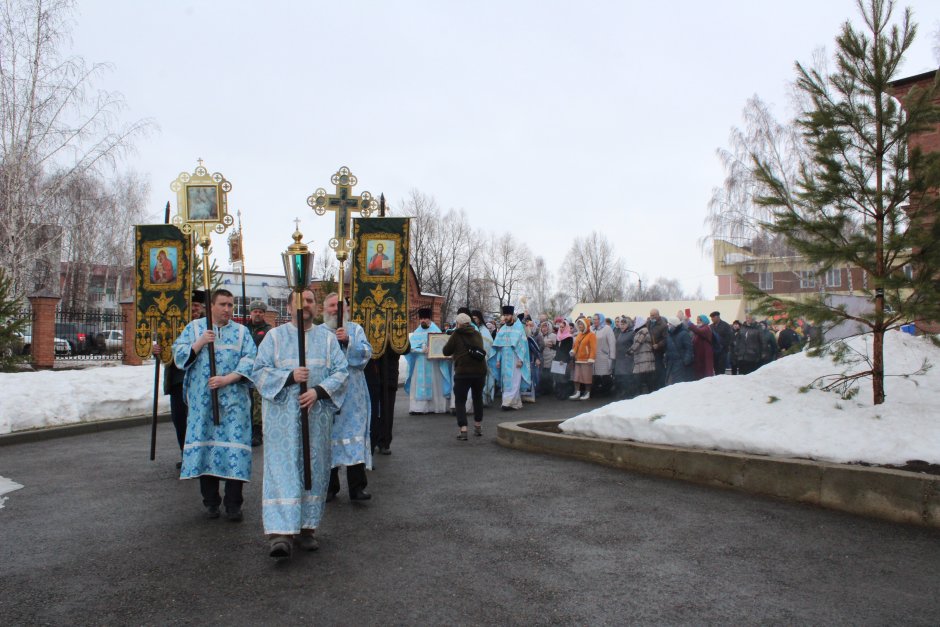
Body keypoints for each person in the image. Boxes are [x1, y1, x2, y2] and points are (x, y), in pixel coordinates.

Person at [252, 289, 348, 558]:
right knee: (282, 471)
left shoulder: (327, 339)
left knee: (313, 470)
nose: (306, 305)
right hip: (281, 421)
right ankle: (280, 533)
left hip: (315, 419)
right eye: (301, 301)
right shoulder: (274, 337)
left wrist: (318, 391)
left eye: (310, 301)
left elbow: (341, 372)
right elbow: (258, 372)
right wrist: (290, 376)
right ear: (289, 305)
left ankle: (307, 528)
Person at [172, 289, 256, 521]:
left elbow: (251, 359)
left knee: (234, 452)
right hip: (203, 403)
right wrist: (200, 343)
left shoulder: (241, 333)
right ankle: (210, 502)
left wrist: (228, 378)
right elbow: (179, 356)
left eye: (231, 305)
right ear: (212, 306)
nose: (228, 309)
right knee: (206, 450)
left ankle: (233, 504)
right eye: (223, 304)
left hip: (234, 404)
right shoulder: (195, 328)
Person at [321, 293, 373, 502]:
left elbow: (367, 354)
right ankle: (329, 487)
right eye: (331, 306)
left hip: (353, 395)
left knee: (355, 438)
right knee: (327, 440)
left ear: (347, 310)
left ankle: (357, 488)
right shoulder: (318, 333)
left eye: (339, 306)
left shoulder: (355, 330)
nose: (335, 309)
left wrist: (348, 341)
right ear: (324, 310)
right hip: (328, 394)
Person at [155, 290, 206, 468]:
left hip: (200, 381)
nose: (194, 310)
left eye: (197, 307)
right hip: (177, 380)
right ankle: (186, 454)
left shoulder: (207, 326)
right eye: (190, 307)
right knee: (180, 419)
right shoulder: (173, 326)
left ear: (202, 308)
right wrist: (158, 351)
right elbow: (166, 351)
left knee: (199, 419)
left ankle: (200, 456)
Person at [442, 313, 487, 440]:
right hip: (480, 371)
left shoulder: (456, 334)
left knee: (460, 400)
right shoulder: (477, 333)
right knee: (477, 398)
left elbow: (446, 351)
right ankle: (478, 427)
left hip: (463, 372)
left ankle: (463, 430)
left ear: (458, 324)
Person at [404, 308, 452, 414]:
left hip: (433, 363)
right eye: (421, 318)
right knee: (420, 385)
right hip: (420, 363)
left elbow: (441, 346)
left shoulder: (436, 331)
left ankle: (435, 406)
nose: (423, 321)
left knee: (435, 383)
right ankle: (419, 408)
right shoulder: (417, 332)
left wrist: (433, 350)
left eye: (425, 318)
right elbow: (410, 348)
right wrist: (421, 350)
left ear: (429, 319)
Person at [488, 305, 531, 410]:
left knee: (514, 380)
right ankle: (513, 402)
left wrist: (521, 360)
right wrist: (498, 360)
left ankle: (507, 403)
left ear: (512, 316)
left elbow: (523, 347)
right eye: (504, 315)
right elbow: (499, 346)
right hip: (504, 360)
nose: (505, 317)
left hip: (515, 359)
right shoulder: (502, 329)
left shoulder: (519, 328)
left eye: (507, 315)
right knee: (506, 381)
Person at [366, 345, 405, 456]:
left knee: (387, 410)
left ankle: (385, 441)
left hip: (389, 376)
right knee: (373, 411)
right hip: (373, 375)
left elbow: (405, 348)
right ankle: (372, 441)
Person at [245, 300, 272, 447]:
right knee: (246, 399)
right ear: (251, 312)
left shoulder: (268, 330)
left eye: (261, 312)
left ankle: (257, 432)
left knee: (257, 401)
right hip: (245, 369)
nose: (258, 314)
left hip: (260, 370)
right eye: (255, 311)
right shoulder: (243, 328)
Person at [628, 316, 657, 395]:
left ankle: (643, 397)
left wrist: (629, 352)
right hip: (641, 360)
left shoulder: (643, 331)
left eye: (635, 321)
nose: (634, 323)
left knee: (641, 381)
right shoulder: (640, 330)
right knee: (646, 381)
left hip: (645, 359)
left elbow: (638, 343)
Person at [569, 317, 596, 400]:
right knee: (576, 377)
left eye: (581, 324)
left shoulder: (591, 335)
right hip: (578, 359)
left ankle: (587, 393)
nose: (580, 325)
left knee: (586, 378)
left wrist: (591, 358)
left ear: (586, 325)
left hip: (587, 360)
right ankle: (577, 392)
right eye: (579, 324)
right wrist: (573, 351)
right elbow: (575, 346)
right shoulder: (579, 334)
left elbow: (593, 348)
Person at [592, 313, 616, 396]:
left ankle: (607, 392)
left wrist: (612, 357)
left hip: (604, 356)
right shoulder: (592, 329)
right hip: (594, 357)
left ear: (601, 319)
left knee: (605, 375)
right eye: (593, 319)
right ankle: (597, 392)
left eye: (596, 319)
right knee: (595, 376)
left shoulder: (607, 328)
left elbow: (612, 343)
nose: (594, 321)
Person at [664, 317, 694, 385]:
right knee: (671, 384)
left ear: (674, 325)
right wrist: (666, 359)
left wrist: (686, 361)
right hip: (671, 363)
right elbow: (668, 349)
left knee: (679, 384)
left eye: (670, 324)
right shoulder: (669, 335)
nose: (668, 326)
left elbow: (689, 348)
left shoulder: (684, 334)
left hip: (681, 363)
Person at [552, 319, 574, 400]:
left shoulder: (569, 337)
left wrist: (563, 360)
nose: (561, 328)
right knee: (557, 378)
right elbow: (558, 348)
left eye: (562, 327)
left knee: (563, 379)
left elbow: (567, 350)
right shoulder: (558, 336)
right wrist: (552, 346)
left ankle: (564, 394)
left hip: (564, 360)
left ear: (566, 327)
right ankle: (558, 393)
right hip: (557, 359)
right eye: (560, 327)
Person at [613, 316, 635, 398]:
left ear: (628, 324)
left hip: (627, 359)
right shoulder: (621, 333)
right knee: (620, 377)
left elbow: (634, 345)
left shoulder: (632, 333)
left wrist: (630, 354)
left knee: (627, 377)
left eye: (623, 324)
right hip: (619, 358)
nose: (621, 326)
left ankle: (629, 394)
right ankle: (622, 392)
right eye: (621, 324)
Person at [646, 309, 668, 390]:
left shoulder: (663, 325)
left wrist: (658, 345)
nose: (651, 317)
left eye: (653, 315)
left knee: (659, 370)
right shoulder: (648, 323)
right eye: (650, 315)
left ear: (658, 315)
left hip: (659, 351)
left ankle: (661, 387)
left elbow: (666, 339)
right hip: (649, 350)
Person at [688, 314, 715, 379]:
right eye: (697, 320)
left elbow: (698, 331)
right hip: (700, 354)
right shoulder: (701, 328)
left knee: (706, 370)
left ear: (704, 321)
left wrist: (689, 323)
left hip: (705, 354)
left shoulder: (706, 328)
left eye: (699, 320)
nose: (697, 321)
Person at [538, 320, 557, 396]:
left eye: (546, 326)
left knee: (549, 375)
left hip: (550, 357)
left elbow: (557, 347)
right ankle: (543, 390)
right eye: (543, 327)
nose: (544, 328)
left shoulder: (553, 335)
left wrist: (552, 346)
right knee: (543, 375)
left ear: (549, 327)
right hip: (542, 357)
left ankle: (549, 390)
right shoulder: (539, 335)